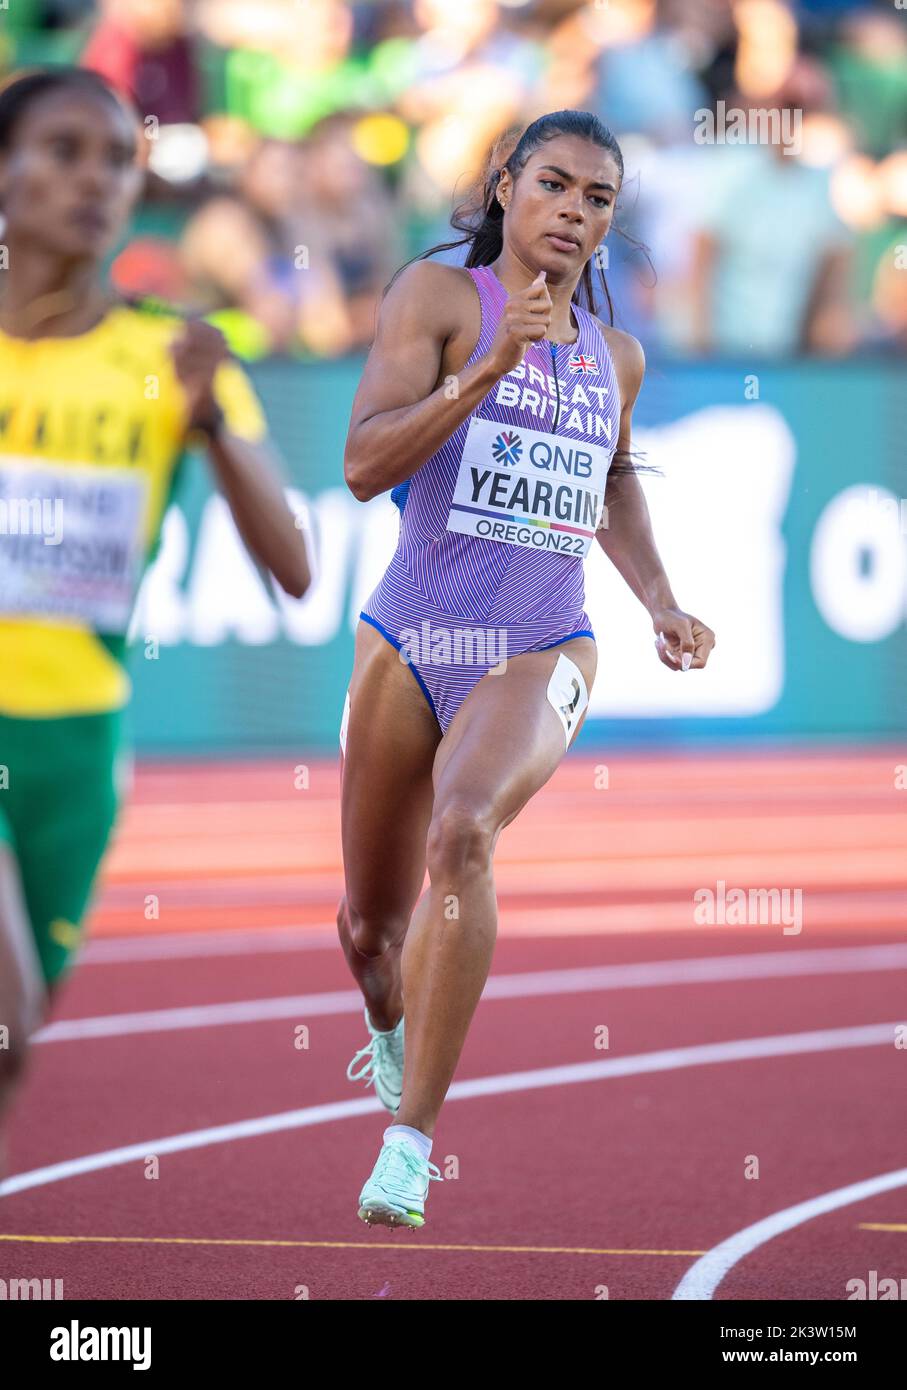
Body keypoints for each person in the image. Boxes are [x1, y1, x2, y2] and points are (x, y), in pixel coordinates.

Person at [338, 109, 715, 1228]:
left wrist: (661, 600)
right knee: (368, 934)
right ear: (505, 185)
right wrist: (486, 369)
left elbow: (609, 483)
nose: (576, 211)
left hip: (544, 640)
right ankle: (387, 1028)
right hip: (411, 635)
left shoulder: (617, 355)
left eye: (599, 199)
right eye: (554, 184)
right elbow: (363, 463)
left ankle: (410, 1145)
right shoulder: (439, 299)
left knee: (464, 831)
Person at [0, 67, 311, 1162]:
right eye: (63, 151)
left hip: (77, 741)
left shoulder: (168, 353)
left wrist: (210, 422)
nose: (95, 180)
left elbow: (296, 566)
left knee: (11, 1040)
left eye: (118, 160)